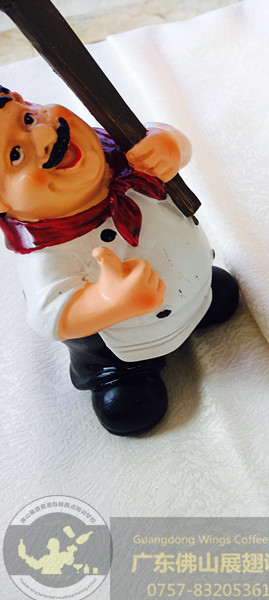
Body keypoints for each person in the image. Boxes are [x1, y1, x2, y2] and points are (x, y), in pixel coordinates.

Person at [0, 86, 239, 436]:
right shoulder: (46, 249)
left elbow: (164, 138)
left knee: (225, 296)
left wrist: (169, 144)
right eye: (16, 154)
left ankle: (198, 303)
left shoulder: (120, 151)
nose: (47, 135)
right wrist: (107, 302)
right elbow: (49, 316)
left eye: (28, 118)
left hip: (194, 288)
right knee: (130, 408)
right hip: (124, 344)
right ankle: (122, 377)